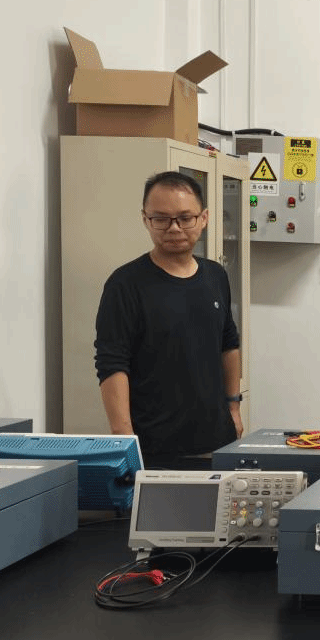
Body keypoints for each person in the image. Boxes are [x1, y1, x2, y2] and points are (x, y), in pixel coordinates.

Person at [95, 171, 242, 469]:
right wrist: (124, 438)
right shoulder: (125, 284)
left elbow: (229, 344)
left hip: (218, 443)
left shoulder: (215, 276)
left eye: (185, 218)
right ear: (145, 219)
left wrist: (234, 408)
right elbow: (112, 364)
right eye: (161, 219)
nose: (174, 228)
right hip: (156, 450)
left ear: (203, 218)